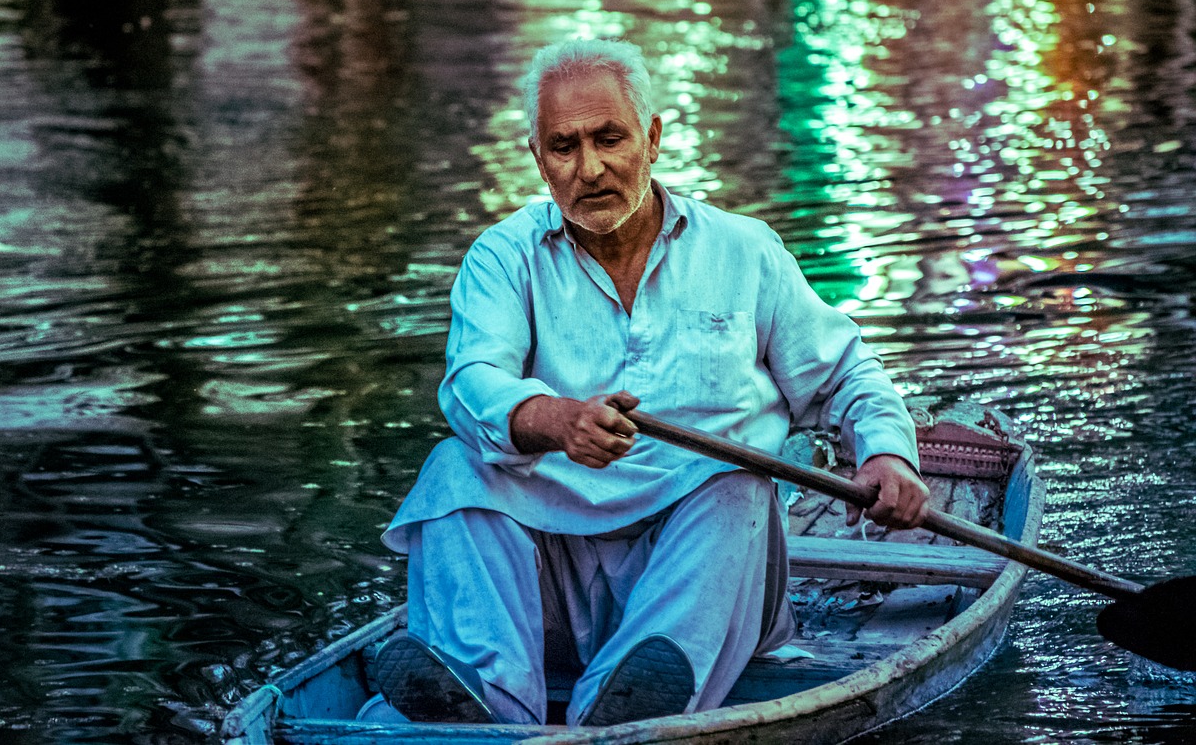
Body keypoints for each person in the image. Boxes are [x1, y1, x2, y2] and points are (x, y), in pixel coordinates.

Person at [366, 38, 929, 727]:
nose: (590, 167)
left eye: (610, 138)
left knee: (737, 481)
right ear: (539, 158)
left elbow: (849, 375)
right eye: (565, 147)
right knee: (455, 465)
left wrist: (886, 454)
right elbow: (472, 384)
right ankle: (486, 704)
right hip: (551, 579)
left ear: (653, 138)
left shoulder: (743, 251)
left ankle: (622, 707)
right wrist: (556, 419)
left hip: (699, 579)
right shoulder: (503, 258)